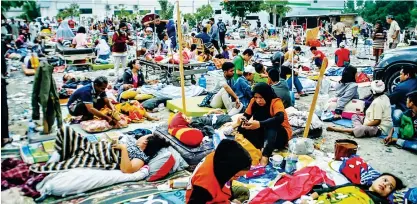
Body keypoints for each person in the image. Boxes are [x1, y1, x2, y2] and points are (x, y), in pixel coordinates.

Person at [238, 83, 292, 166]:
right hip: (263, 132)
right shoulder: (253, 101)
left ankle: (265, 155)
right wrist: (243, 120)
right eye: (256, 97)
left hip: (279, 135)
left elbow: (279, 118)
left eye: (261, 97)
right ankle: (260, 148)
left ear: (267, 95)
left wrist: (260, 124)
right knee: (243, 128)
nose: (258, 100)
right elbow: (246, 115)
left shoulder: (275, 101)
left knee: (273, 125)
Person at [185, 140, 252, 204]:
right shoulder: (205, 186)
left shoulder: (221, 158)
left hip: (219, 192)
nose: (237, 179)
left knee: (244, 192)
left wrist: (232, 199)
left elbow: (229, 184)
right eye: (237, 176)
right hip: (207, 199)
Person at [327, 80, 392, 138]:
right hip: (372, 121)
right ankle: (357, 128)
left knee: (359, 130)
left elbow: (377, 121)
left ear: (372, 91)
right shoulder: (385, 97)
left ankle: (340, 130)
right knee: (355, 116)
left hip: (379, 128)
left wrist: (365, 125)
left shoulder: (377, 102)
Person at [302, 173, 404, 204]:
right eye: (384, 180)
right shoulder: (354, 186)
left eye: (390, 187)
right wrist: (310, 198)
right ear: (374, 180)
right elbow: (329, 189)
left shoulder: (380, 202)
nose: (385, 184)